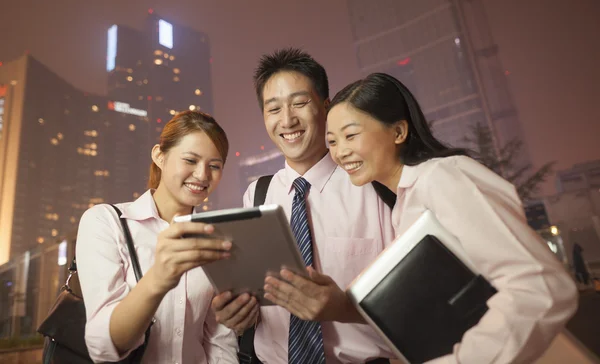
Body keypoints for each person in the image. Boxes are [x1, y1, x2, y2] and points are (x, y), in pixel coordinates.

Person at [323, 72, 579, 363]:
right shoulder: (404, 205)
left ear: (398, 132)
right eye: (331, 141)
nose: (340, 152)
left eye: (350, 135)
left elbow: (539, 286)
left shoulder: (442, 178)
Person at [211, 48, 397, 363]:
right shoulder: (258, 194)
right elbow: (258, 300)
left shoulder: (373, 186)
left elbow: (414, 299)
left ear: (326, 107)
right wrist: (237, 312)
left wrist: (345, 306)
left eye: (300, 103)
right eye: (273, 109)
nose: (287, 120)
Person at [76, 110, 238, 364]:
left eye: (214, 166)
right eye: (190, 160)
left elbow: (219, 341)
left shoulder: (215, 238)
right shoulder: (105, 222)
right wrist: (159, 278)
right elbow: (101, 346)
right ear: (159, 156)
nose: (202, 175)